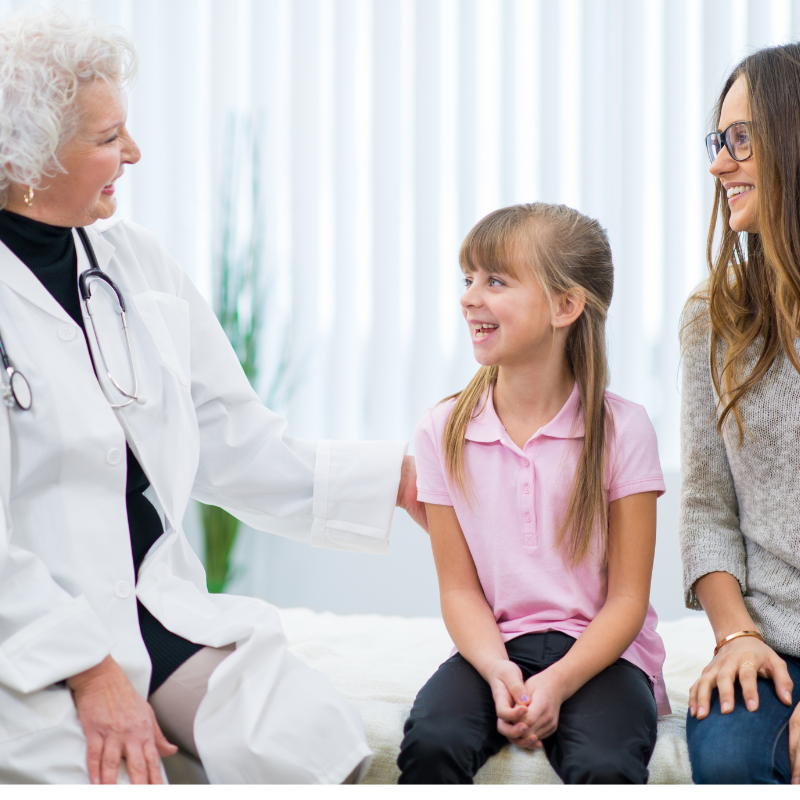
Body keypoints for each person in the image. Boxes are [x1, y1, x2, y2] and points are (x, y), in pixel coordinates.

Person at [0, 9, 425, 785]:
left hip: (157, 609)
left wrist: (394, 479)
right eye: (106, 138)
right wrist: (92, 673)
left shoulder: (137, 264)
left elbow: (231, 441)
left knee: (314, 746)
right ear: (25, 156)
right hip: (31, 637)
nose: (133, 152)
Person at [397, 203, 670, 784]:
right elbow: (459, 589)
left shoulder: (624, 428)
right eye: (467, 278)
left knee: (603, 764)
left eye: (495, 280)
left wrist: (559, 682)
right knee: (432, 743)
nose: (470, 296)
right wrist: (498, 670)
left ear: (566, 306)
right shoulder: (441, 430)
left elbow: (626, 601)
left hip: (604, 656)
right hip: (495, 647)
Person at [680, 44, 800, 785]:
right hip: (763, 633)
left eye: (742, 139)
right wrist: (736, 636)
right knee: (726, 759)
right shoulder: (712, 319)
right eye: (718, 141)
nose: (720, 163)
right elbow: (705, 510)